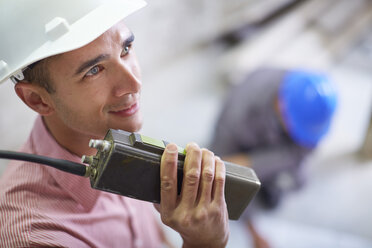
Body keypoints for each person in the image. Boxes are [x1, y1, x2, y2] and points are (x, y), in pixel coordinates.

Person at [0, 0, 229, 247]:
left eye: (126, 49)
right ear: (37, 99)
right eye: (94, 70)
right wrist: (204, 242)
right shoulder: (36, 236)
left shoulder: (109, 130)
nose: (133, 84)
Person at [209, 67, 338, 248]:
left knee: (298, 181)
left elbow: (302, 151)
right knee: (229, 183)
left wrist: (255, 163)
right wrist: (253, 232)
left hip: (264, 149)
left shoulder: (307, 106)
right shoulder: (240, 112)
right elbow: (224, 167)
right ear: (280, 106)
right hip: (241, 146)